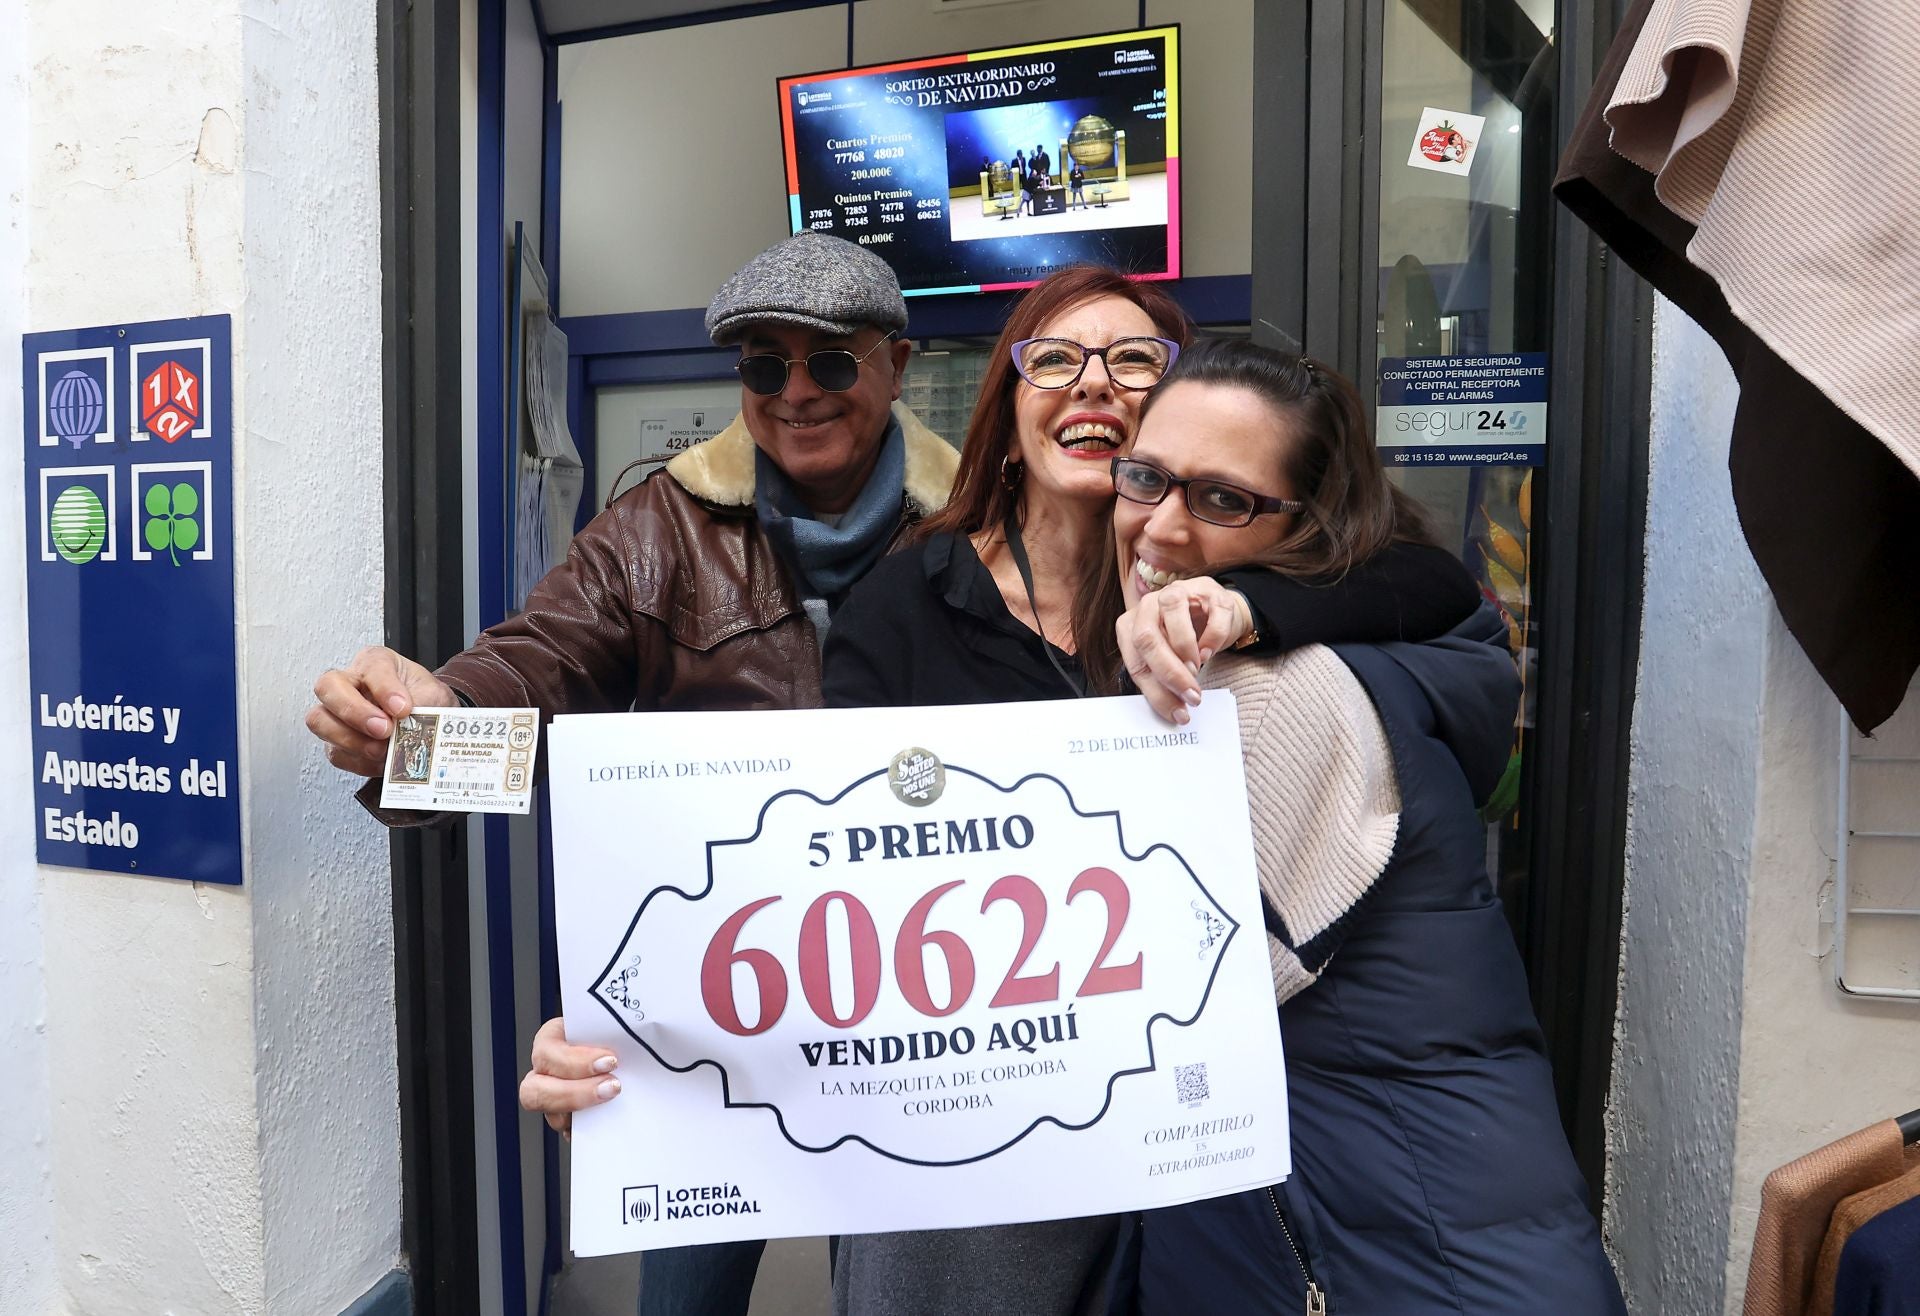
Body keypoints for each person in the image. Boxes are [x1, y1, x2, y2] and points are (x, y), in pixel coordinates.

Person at [304, 230, 958, 1316]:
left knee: (900, 1292)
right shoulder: (653, 527)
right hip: (722, 1004)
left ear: (895, 363)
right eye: (763, 366)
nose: (795, 392)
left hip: (922, 996)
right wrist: (421, 732)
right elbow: (536, 673)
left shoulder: (982, 523)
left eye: (831, 361)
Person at [817, 268, 1486, 1315]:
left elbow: (1432, 583)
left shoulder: (1231, 578)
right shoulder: (903, 599)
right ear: (1006, 404)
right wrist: (662, 1040)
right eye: (1055, 358)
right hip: (985, 1169)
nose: (1093, 381)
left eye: (1134, 359)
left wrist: (1241, 602)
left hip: (1191, 1136)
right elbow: (831, 887)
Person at [1077, 339, 1626, 1314]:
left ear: (1312, 527)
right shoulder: (1361, 644)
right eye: (1147, 476)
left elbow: (1111, 1018)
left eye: (1222, 498)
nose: (1159, 525)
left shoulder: (1264, 694)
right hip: (1422, 1232)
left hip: (1398, 1261)